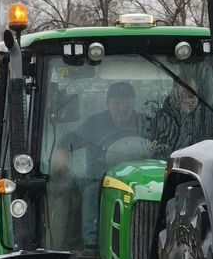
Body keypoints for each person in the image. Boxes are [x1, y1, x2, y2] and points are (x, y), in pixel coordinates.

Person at [52, 81, 149, 247]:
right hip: (99, 179)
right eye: (117, 104)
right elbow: (67, 142)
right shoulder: (94, 123)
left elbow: (160, 146)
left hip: (140, 181)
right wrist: (61, 155)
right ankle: (91, 244)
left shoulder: (145, 123)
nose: (122, 109)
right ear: (107, 103)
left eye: (126, 104)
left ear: (133, 103)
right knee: (91, 193)